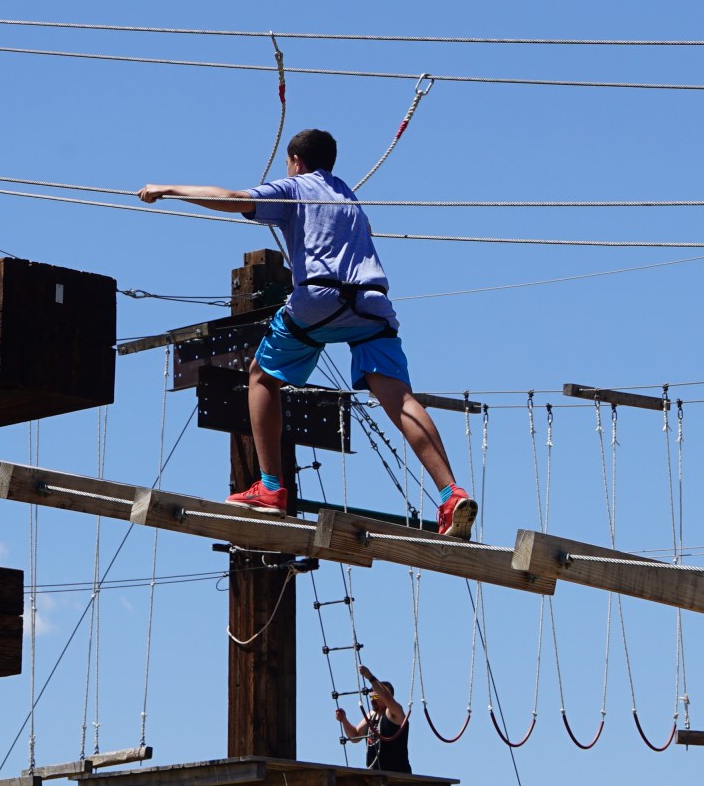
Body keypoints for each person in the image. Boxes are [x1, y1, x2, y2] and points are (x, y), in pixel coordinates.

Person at [137, 128, 477, 537]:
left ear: (296, 161)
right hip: (371, 302)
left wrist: (168, 189)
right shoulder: (348, 197)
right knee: (400, 398)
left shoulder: (295, 187)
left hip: (319, 298)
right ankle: (451, 494)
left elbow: (233, 198)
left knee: (262, 377)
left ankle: (270, 488)